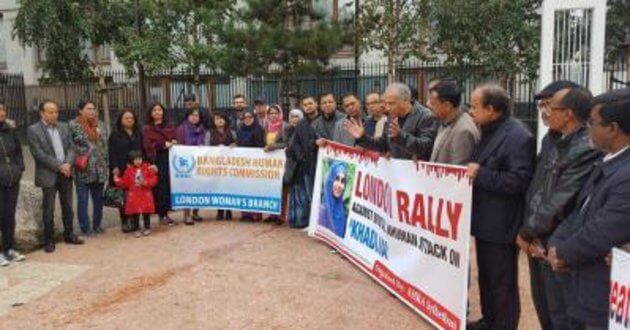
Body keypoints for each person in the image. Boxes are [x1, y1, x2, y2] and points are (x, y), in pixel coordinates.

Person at [516, 81, 602, 330]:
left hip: (557, 242)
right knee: (544, 307)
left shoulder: (586, 146)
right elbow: (538, 187)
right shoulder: (552, 139)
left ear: (568, 112)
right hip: (537, 238)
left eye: (549, 106)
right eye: (542, 105)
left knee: (562, 314)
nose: (544, 111)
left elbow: (561, 198)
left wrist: (529, 231)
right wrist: (530, 230)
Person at [547, 94, 630, 329]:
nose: (587, 128)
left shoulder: (626, 175)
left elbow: (602, 231)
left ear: (613, 128)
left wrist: (562, 252)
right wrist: (557, 244)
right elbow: (579, 211)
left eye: (592, 123)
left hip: (602, 294)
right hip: (581, 283)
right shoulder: (608, 161)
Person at [465, 84, 536, 330]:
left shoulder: (518, 136)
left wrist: (482, 174)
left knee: (502, 281)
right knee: (486, 277)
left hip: (502, 223)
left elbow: (519, 180)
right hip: (485, 220)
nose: (470, 111)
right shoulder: (487, 129)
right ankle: (490, 320)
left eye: (474, 106)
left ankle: (504, 325)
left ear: (492, 109)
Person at [27, 100, 84, 253]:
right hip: (48, 174)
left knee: (68, 206)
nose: (54, 115)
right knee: (49, 209)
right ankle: (49, 240)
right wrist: (59, 166)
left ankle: (69, 234)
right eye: (50, 112)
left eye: (56, 112)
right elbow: (38, 154)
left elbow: (72, 148)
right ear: (42, 113)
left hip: (66, 173)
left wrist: (67, 164)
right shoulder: (33, 130)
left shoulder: (64, 127)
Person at [344, 82, 437, 159]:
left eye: (391, 103)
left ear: (406, 100)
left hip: (417, 175)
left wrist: (400, 136)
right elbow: (382, 145)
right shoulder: (392, 117)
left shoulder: (425, 116)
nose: (387, 108)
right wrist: (362, 137)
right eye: (386, 103)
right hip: (396, 174)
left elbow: (426, 147)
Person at [69, 100, 109, 236]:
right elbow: (71, 145)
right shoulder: (73, 125)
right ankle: (85, 228)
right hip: (83, 169)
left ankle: (97, 225)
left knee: (98, 200)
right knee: (83, 200)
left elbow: (105, 145)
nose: (92, 111)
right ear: (80, 110)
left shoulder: (101, 125)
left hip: (100, 169)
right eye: (88, 108)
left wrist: (107, 163)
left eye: (94, 108)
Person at [286, 96, 320, 229]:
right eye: (305, 104)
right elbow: (296, 144)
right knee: (310, 195)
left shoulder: (321, 121)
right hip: (307, 165)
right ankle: (311, 224)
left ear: (316, 104)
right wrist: (302, 158)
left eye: (311, 103)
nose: (308, 106)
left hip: (321, 163)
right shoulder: (301, 124)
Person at [427, 80, 480, 165]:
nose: (427, 104)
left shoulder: (463, 131)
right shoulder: (445, 121)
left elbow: (459, 171)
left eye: (433, 103)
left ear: (447, 106)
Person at [108, 108, 144, 233]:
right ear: (121, 120)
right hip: (122, 170)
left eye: (131, 118)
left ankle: (135, 221)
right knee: (124, 198)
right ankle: (125, 221)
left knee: (137, 196)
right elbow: (112, 153)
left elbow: (143, 150)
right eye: (126, 118)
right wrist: (115, 167)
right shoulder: (115, 135)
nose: (129, 120)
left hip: (137, 170)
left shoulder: (139, 133)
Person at [265, 108, 303, 224]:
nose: (273, 115)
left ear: (280, 114)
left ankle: (281, 216)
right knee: (271, 189)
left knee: (282, 189)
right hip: (270, 163)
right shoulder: (266, 127)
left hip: (284, 162)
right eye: (271, 113)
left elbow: (285, 144)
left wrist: (273, 146)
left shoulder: (285, 127)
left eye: (276, 113)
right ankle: (272, 214)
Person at [143, 102, 177, 226]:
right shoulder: (147, 129)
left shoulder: (170, 126)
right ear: (150, 113)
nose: (157, 112)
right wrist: (162, 145)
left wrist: (174, 141)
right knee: (160, 187)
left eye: (159, 110)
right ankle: (162, 214)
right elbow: (147, 145)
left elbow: (176, 138)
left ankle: (166, 212)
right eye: (154, 110)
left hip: (170, 159)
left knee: (169, 185)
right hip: (157, 159)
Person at [0, 102, 26, 265]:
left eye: (2, 109)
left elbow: (19, 151)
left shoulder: (10, 130)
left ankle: (9, 249)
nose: (1, 112)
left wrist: (19, 169)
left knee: (9, 216)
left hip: (12, 179)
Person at [114, 150, 158, 237]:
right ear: (131, 161)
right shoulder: (128, 171)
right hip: (134, 196)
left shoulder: (147, 168)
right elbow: (124, 182)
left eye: (139, 159)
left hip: (145, 195)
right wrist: (116, 179)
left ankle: (147, 227)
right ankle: (136, 229)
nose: (138, 161)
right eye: (135, 159)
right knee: (135, 214)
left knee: (146, 212)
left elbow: (154, 179)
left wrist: (145, 182)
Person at [175, 107, 207, 225]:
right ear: (187, 116)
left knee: (198, 187)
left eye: (197, 115)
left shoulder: (202, 129)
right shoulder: (181, 129)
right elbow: (179, 147)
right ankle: (187, 214)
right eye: (192, 115)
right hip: (187, 164)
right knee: (187, 188)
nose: (195, 117)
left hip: (199, 162)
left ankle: (195, 212)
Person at [206, 112, 237, 221]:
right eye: (217, 119)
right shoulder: (209, 133)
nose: (219, 121)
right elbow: (206, 148)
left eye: (221, 118)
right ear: (213, 121)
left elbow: (238, 145)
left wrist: (235, 145)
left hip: (229, 164)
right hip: (215, 164)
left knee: (228, 186)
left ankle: (229, 210)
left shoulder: (232, 132)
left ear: (225, 120)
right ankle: (220, 210)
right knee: (218, 187)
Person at [236, 108, 266, 222]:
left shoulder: (259, 130)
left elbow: (261, 145)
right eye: (245, 117)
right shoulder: (240, 130)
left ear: (254, 118)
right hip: (243, 164)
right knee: (244, 189)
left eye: (250, 117)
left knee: (256, 188)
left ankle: (256, 214)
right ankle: (245, 214)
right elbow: (239, 144)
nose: (247, 119)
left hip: (256, 164)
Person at [318, 161, 349, 238]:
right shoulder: (322, 212)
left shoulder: (342, 211)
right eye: (337, 179)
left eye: (342, 181)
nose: (339, 185)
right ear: (330, 181)